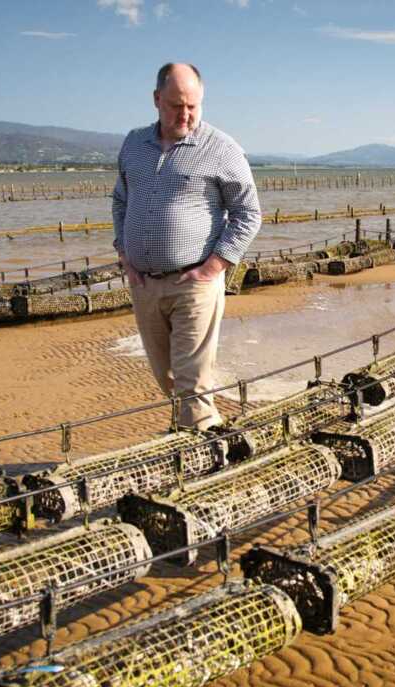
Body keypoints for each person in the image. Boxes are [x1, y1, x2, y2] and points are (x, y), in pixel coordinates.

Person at [112, 62, 261, 430]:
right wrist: (125, 258)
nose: (186, 114)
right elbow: (120, 201)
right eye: (176, 105)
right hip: (144, 283)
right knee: (166, 377)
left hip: (194, 283)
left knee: (192, 383)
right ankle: (194, 433)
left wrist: (213, 268)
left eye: (193, 105)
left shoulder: (223, 149)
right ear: (156, 99)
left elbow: (248, 213)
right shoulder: (133, 144)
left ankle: (201, 452)